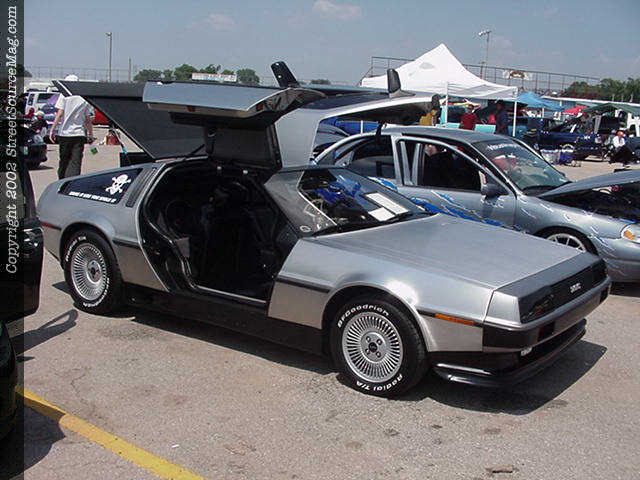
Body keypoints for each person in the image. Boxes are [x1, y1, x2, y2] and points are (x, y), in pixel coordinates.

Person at [49, 76, 94, 179]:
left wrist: (52, 130)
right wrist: (90, 134)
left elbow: (59, 114)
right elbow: (88, 119)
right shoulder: (83, 97)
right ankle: (73, 181)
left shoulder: (64, 95)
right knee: (76, 161)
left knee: (64, 159)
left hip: (64, 134)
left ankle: (62, 180)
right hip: (79, 134)